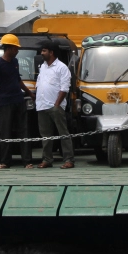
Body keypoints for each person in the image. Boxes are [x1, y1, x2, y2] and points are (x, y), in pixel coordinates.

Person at [0, 34, 35, 169]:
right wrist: (1, 95)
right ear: (8, 48)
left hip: (19, 100)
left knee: (24, 131)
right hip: (5, 103)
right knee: (6, 132)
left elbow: (18, 80)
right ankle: (5, 162)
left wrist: (29, 93)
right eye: (15, 48)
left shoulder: (15, 62)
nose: (17, 51)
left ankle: (27, 161)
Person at [35, 40, 74, 169]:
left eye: (44, 51)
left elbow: (65, 88)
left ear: (51, 52)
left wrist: (57, 105)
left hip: (55, 106)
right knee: (45, 135)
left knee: (63, 133)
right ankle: (47, 159)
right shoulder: (42, 67)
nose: (42, 53)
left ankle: (68, 160)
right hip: (42, 106)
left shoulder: (62, 68)